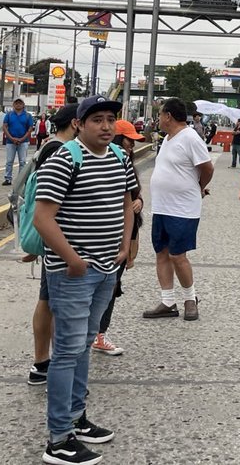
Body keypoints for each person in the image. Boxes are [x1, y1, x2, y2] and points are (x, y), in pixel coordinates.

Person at [34, 94, 136, 465]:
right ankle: (58, 438)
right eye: (97, 120)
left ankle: (77, 417)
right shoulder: (64, 159)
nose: (107, 126)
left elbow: (127, 202)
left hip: (107, 270)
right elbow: (43, 218)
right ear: (79, 124)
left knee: (82, 346)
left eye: (111, 119)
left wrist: (124, 246)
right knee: (67, 351)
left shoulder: (120, 157)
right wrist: (73, 260)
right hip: (74, 273)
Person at [20, 103, 77, 388]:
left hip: (54, 238)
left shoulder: (50, 147)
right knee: (53, 303)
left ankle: (44, 363)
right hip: (59, 240)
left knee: (49, 302)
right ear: (77, 124)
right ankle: (47, 364)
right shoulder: (60, 151)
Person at [142, 97, 214, 321]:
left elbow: (207, 168)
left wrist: (199, 187)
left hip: (182, 208)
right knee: (161, 252)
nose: (159, 119)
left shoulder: (190, 138)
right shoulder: (168, 138)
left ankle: (190, 299)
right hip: (162, 207)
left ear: (168, 116)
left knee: (177, 255)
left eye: (160, 114)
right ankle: (167, 301)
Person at [92, 119, 146, 356]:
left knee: (111, 287)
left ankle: (98, 334)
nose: (132, 146)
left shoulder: (125, 163)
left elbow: (135, 195)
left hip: (124, 237)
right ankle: (93, 334)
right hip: (107, 239)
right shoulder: (103, 163)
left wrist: (139, 201)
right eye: (128, 141)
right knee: (103, 287)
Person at [2, 98, 35, 187]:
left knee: (23, 161)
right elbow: (4, 127)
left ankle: (21, 179)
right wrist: (11, 138)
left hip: (23, 142)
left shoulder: (28, 116)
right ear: (13, 105)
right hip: (10, 141)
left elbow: (30, 128)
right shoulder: (9, 115)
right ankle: (8, 178)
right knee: (9, 161)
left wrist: (22, 139)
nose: (18, 105)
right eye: (16, 103)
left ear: (23, 105)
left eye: (20, 103)